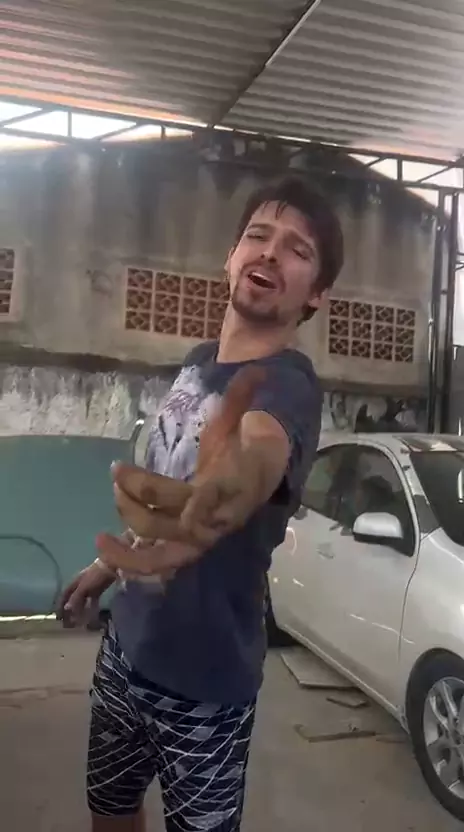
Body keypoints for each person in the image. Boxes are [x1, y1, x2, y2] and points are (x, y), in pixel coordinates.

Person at [58, 176, 344, 832]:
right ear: (230, 257)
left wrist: (233, 484)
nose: (270, 252)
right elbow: (171, 474)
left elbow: (260, 451)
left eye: (297, 249)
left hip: (206, 686)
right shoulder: (195, 363)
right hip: (125, 647)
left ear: (317, 294)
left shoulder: (289, 385)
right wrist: (109, 566)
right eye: (258, 235)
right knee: (109, 811)